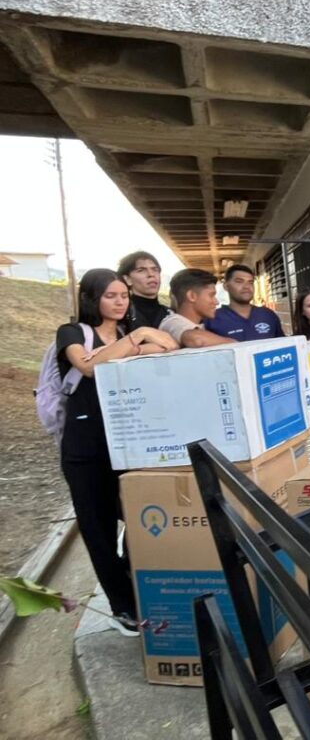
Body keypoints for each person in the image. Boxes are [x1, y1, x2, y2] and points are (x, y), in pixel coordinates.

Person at [56, 269, 178, 635]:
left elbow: (170, 347)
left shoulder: (127, 333)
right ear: (92, 299)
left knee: (140, 519)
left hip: (126, 444)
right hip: (85, 450)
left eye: (123, 295)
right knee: (99, 531)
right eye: (111, 296)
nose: (120, 301)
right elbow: (88, 367)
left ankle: (129, 578)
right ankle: (122, 607)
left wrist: (133, 340)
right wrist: (137, 341)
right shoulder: (72, 332)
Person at [159, 269, 237, 347]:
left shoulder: (199, 325)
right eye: (211, 295)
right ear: (192, 296)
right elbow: (197, 340)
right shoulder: (171, 322)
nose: (216, 302)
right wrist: (235, 343)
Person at [207, 264, 285, 341]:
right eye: (239, 281)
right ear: (226, 286)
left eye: (250, 282)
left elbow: (283, 345)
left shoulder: (268, 315)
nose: (246, 286)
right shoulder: (212, 319)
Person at [117, 250, 169, 330]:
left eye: (155, 269)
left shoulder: (171, 314)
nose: (151, 274)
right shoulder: (120, 313)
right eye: (141, 270)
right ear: (127, 279)